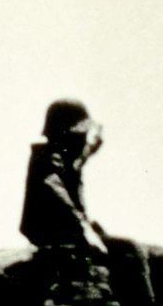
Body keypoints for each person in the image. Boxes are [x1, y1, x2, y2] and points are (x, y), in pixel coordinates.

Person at [20, 99, 108, 250]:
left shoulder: (62, 158)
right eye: (80, 135)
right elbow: (59, 195)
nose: (84, 140)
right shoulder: (45, 162)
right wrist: (85, 228)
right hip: (53, 236)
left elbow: (75, 164)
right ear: (66, 137)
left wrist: (91, 147)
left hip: (67, 231)